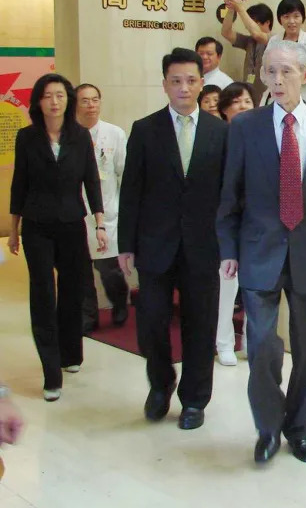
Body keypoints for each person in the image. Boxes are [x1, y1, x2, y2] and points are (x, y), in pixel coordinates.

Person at [217, 39, 306, 465]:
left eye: (286, 72)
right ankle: (267, 426)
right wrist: (228, 247)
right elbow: (230, 195)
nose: (276, 81)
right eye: (269, 72)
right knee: (261, 346)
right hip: (259, 251)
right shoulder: (245, 127)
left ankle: (299, 427)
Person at [118, 48, 228, 431]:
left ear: (202, 82)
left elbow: (228, 195)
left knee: (201, 324)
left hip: (202, 245)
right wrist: (126, 244)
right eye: (176, 81)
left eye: (191, 80)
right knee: (151, 322)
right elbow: (130, 190)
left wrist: (229, 245)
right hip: (154, 244)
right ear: (165, 84)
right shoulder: (145, 130)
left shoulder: (221, 131)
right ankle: (160, 386)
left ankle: (195, 400)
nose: (184, 88)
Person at [8, 73, 107, 402]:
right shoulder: (27, 138)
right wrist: (13, 227)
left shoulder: (79, 137)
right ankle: (51, 372)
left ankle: (70, 354)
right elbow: (19, 183)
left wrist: (100, 222)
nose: (54, 102)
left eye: (60, 95)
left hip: (71, 222)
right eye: (48, 96)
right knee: (42, 293)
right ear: (38, 102)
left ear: (68, 100)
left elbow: (91, 179)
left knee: (72, 289)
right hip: (37, 224)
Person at [76, 83, 130, 333]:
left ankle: (119, 302)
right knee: (80, 270)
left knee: (109, 269)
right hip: (77, 213)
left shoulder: (114, 133)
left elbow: (124, 173)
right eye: (85, 101)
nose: (91, 105)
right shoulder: (70, 135)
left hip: (108, 212)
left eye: (95, 100)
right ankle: (88, 316)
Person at [214, 82, 255, 366]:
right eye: (237, 102)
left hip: (255, 223)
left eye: (248, 101)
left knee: (256, 286)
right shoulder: (218, 139)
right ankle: (224, 342)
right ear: (225, 109)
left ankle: (252, 342)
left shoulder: (261, 137)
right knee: (227, 285)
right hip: (227, 223)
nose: (243, 106)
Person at [268, 0, 306, 106]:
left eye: (296, 16)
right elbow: (268, 67)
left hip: (305, 95)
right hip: (279, 94)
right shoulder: (274, 41)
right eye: (286, 17)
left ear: (303, 18)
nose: (292, 21)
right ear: (280, 19)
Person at [221, 0, 273, 102]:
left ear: (267, 22)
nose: (248, 27)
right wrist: (231, 9)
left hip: (268, 97)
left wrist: (240, 8)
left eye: (253, 23)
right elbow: (226, 32)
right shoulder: (249, 41)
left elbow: (257, 34)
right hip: (249, 95)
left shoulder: (274, 39)